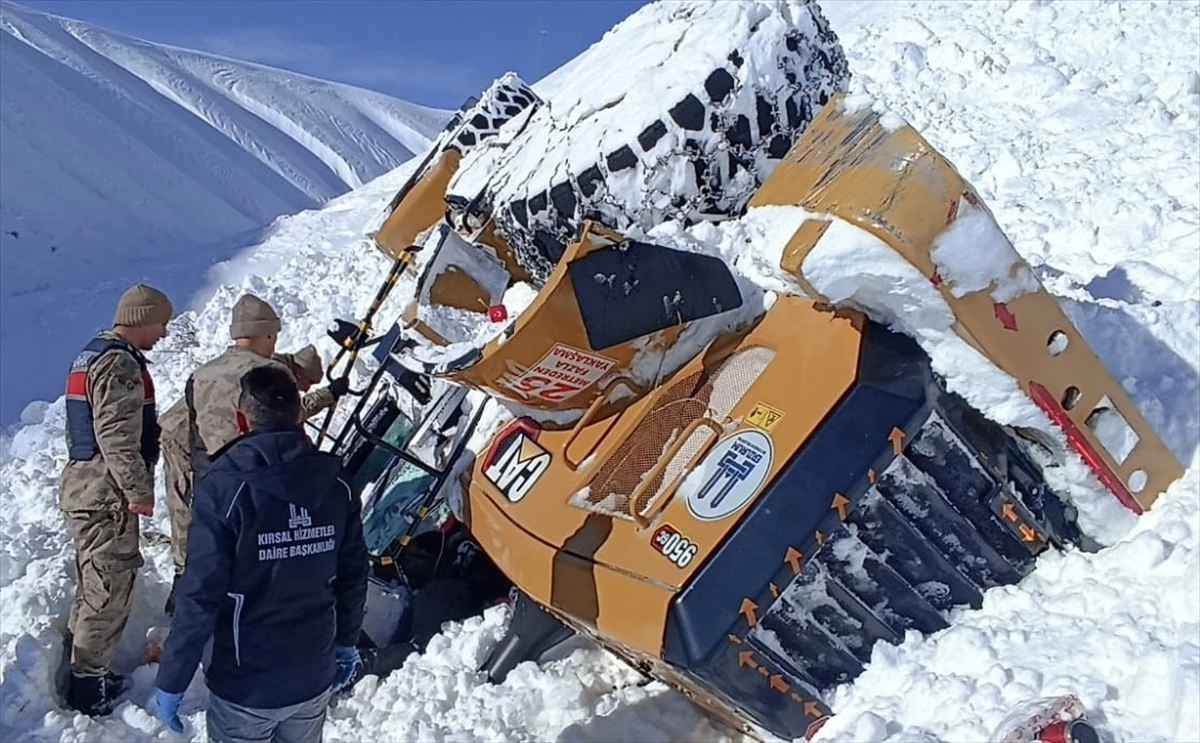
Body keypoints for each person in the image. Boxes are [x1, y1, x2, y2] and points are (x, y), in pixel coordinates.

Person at [154, 365, 368, 742]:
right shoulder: (336, 481)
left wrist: (174, 677)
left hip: (245, 683)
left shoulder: (224, 488)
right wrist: (346, 642)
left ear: (242, 419)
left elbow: (201, 592)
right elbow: (353, 574)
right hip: (312, 672)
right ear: (299, 413)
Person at [159, 341, 346, 614]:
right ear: (300, 373)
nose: (304, 388)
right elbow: (279, 414)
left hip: (201, 433)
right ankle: (185, 583)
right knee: (190, 509)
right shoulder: (270, 371)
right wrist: (327, 394)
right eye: (306, 383)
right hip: (186, 436)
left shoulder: (269, 366)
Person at [60, 283, 173, 716]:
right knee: (108, 588)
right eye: (161, 323)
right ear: (142, 318)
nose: (163, 334)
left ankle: (89, 670)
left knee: (94, 584)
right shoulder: (119, 365)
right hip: (106, 496)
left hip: (89, 490)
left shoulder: (92, 354)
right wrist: (138, 490)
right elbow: (116, 437)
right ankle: (88, 688)